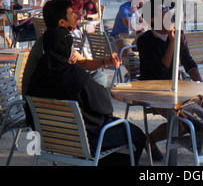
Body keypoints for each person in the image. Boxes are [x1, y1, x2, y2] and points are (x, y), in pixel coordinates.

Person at [25, 25, 146, 165]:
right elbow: (105, 107)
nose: (73, 53)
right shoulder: (75, 75)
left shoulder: (36, 76)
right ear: (65, 48)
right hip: (86, 140)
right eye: (71, 48)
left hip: (50, 140)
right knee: (137, 136)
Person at [137, 0, 202, 160]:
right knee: (181, 123)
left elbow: (188, 62)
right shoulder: (145, 40)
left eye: (167, 9)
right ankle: (149, 140)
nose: (168, 12)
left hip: (176, 89)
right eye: (163, 10)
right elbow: (161, 71)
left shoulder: (179, 34)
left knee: (197, 115)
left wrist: (201, 86)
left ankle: (150, 140)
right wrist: (173, 41)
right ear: (153, 19)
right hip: (152, 90)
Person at [22, 0, 121, 95]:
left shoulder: (56, 39)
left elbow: (83, 62)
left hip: (39, 100)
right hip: (45, 100)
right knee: (96, 82)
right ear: (61, 22)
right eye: (71, 14)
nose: (75, 16)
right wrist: (69, 66)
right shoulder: (54, 43)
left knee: (98, 77)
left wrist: (106, 61)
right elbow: (59, 78)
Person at [110, 0, 149, 73]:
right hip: (118, 38)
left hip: (134, 38)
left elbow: (147, 25)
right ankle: (133, 74)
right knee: (125, 45)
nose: (146, 0)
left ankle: (145, 70)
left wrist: (138, 15)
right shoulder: (124, 8)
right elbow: (130, 26)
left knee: (149, 42)